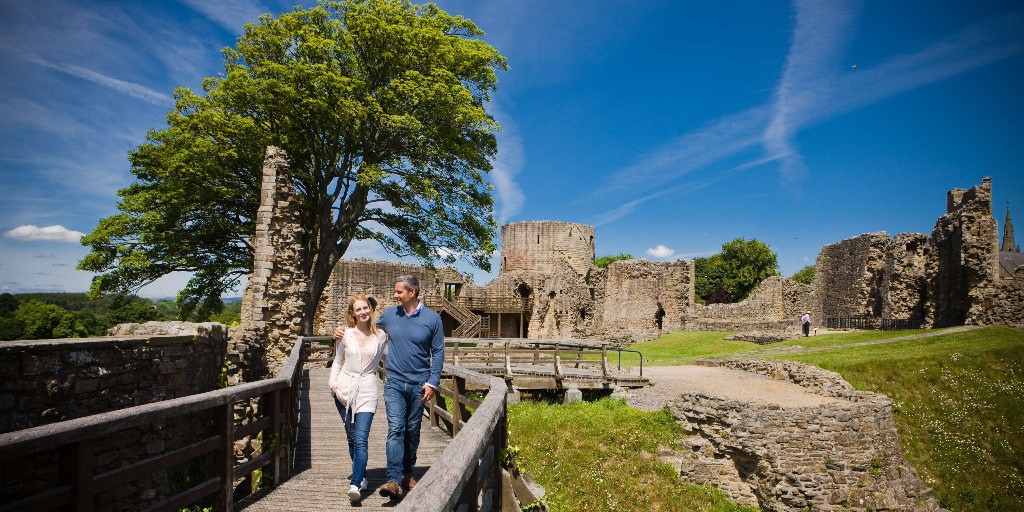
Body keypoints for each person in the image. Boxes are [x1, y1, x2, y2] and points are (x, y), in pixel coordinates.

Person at [334, 275, 444, 499]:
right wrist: (341, 330)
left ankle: (406, 474)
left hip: (419, 384)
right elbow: (365, 326)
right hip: (393, 382)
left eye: (399, 292)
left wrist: (433, 381)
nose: (395, 295)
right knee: (395, 429)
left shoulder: (433, 319)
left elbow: (439, 351)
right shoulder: (390, 315)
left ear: (412, 293)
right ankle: (393, 480)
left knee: (412, 431)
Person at [330, 294, 389, 503]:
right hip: (344, 390)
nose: (363, 312)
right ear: (352, 313)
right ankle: (362, 475)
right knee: (351, 436)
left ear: (370, 310)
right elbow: (338, 362)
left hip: (368, 390)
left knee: (361, 438)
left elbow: (391, 360)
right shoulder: (345, 334)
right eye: (358, 309)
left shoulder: (381, 336)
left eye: (366, 308)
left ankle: (354, 484)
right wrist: (332, 384)